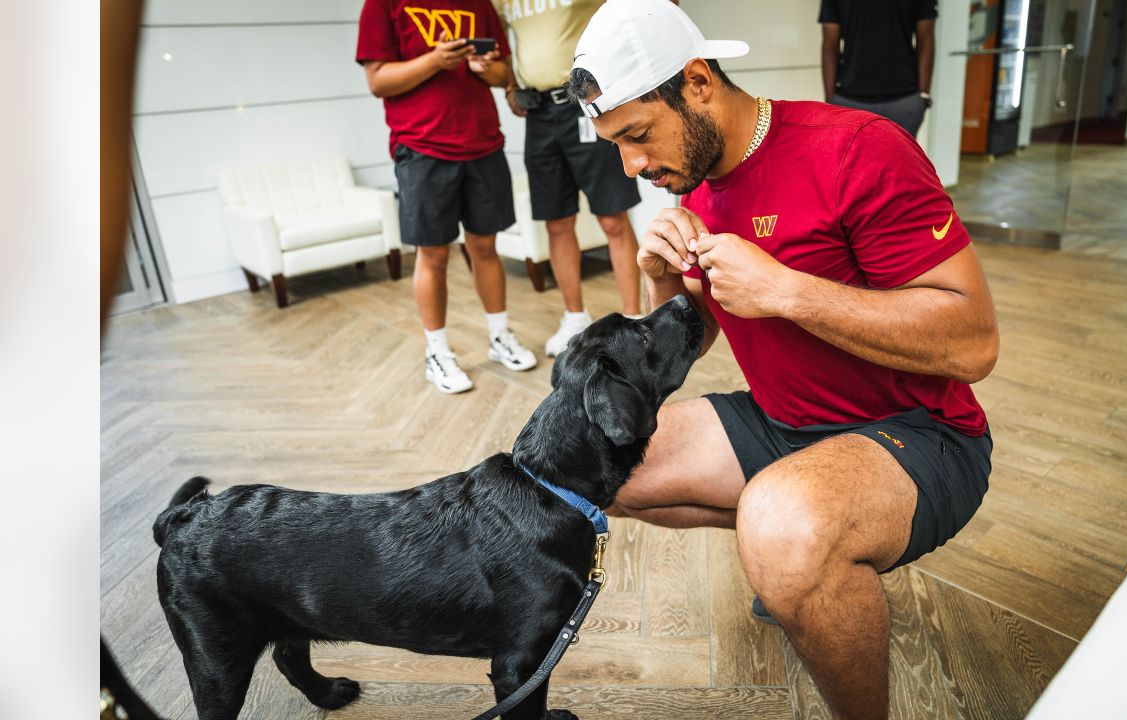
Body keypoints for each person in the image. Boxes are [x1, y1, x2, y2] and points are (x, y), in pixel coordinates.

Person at [566, 1, 998, 718]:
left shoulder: (858, 147)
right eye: (616, 144)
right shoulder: (690, 173)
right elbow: (693, 338)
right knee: (594, 458)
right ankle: (801, 558)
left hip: (921, 435)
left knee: (782, 529)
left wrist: (789, 291)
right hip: (783, 423)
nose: (634, 166)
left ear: (698, 84)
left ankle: (799, 552)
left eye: (638, 135)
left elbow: (973, 341)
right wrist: (665, 279)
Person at [357, 0, 538, 395]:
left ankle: (499, 335)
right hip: (421, 149)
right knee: (433, 254)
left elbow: (505, 72)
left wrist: (484, 68)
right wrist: (436, 60)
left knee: (485, 248)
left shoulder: (479, 3)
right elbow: (378, 81)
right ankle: (437, 352)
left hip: (483, 143)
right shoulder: (382, 4)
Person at [495, 0, 653, 356]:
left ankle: (631, 321)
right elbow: (502, 45)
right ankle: (574, 317)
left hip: (587, 104)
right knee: (557, 222)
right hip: (538, 113)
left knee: (613, 218)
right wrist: (508, 85)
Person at [820, 0, 937, 137]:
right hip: (849, 100)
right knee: (854, 158)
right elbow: (830, 43)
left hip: (904, 100)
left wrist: (923, 96)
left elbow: (926, 38)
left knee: (897, 158)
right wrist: (831, 102)